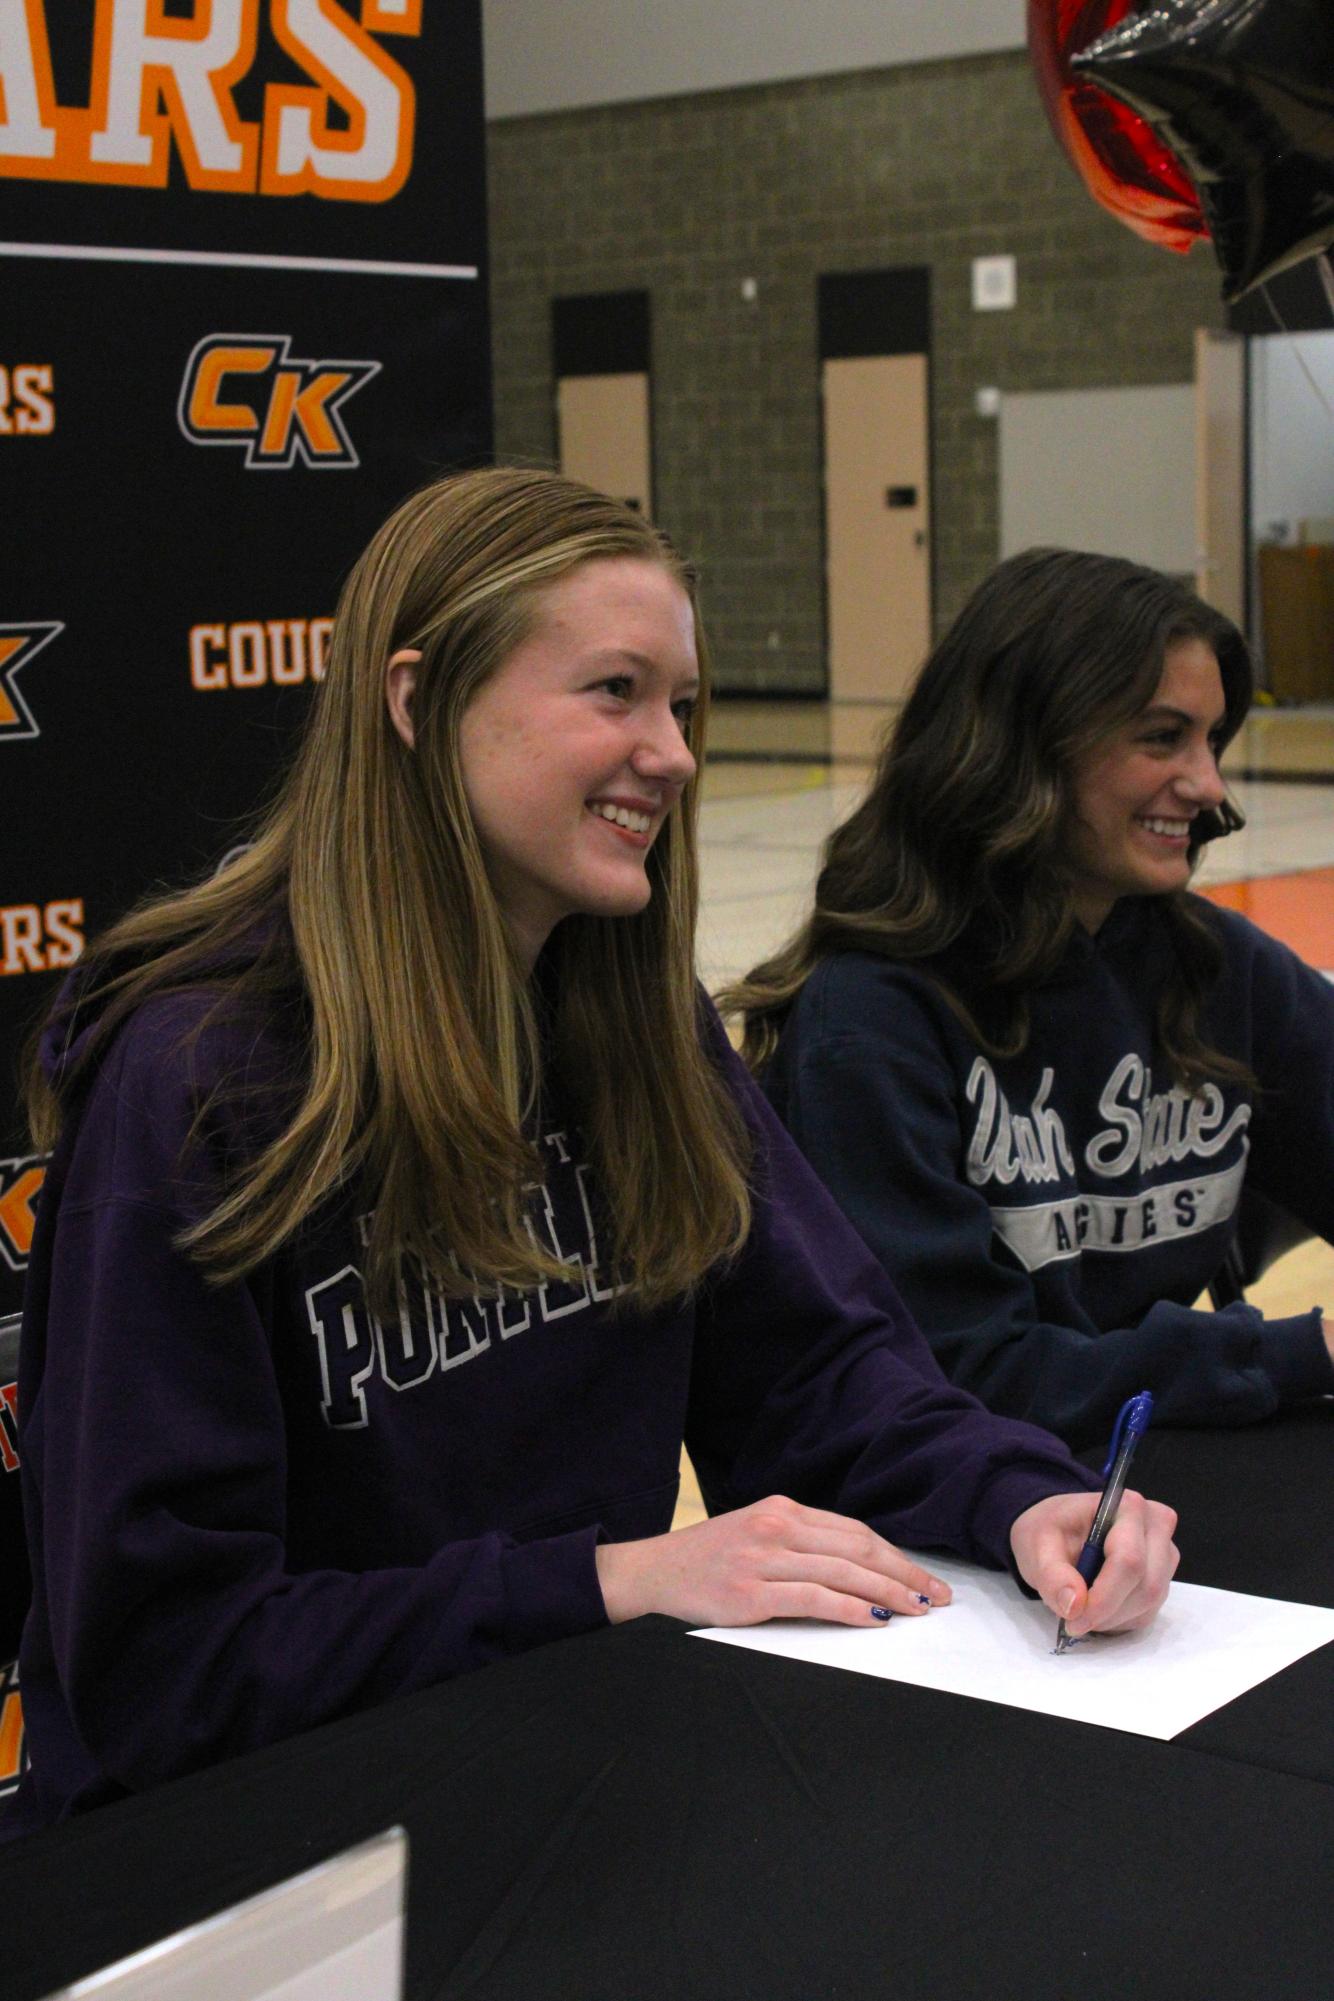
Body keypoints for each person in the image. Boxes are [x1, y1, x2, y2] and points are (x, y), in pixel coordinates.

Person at [9, 479, 1175, 1836]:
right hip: (240, 1860)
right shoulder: (198, 1074)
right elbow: (172, 1670)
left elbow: (819, 1373)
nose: (673, 754)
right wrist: (611, 1583)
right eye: (614, 691)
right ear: (415, 699)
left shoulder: (631, 1022)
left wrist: (1021, 1495)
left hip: (550, 1769)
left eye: (680, 705)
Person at [727, 548, 1334, 1451]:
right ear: (1024, 747)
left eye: (1212, 740)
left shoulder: (1215, 964)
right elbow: (967, 1372)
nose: (1209, 785)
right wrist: (1299, 1350)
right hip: (947, 1512)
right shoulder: (869, 1021)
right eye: (1162, 738)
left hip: (1141, 1459)